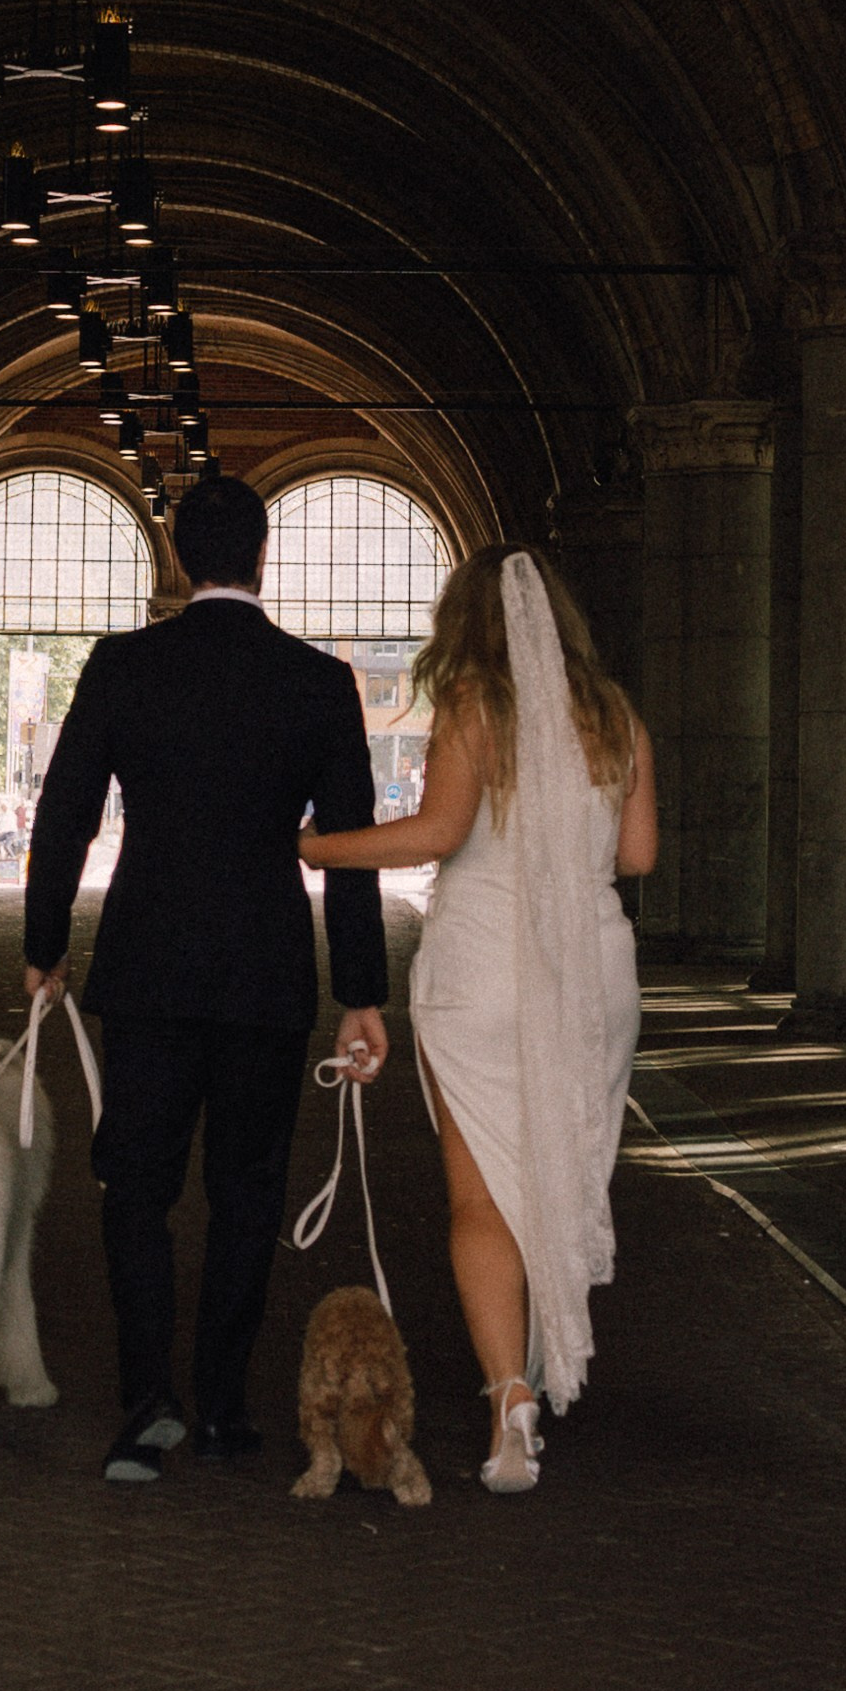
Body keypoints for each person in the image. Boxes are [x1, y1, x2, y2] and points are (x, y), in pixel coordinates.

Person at [24, 471, 389, 1482]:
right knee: (245, 1195)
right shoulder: (316, 683)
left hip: (143, 970)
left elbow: (64, 814)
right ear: (263, 556)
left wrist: (43, 943)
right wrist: (360, 990)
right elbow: (349, 847)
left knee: (133, 1192)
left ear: (179, 557)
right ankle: (224, 1406)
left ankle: (147, 1403)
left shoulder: (122, 666)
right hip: (266, 975)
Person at [300, 545, 654, 1495]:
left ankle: (510, 1398)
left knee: (481, 1199)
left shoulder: (471, 702)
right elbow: (637, 854)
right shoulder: (617, 714)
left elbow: (435, 835)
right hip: (593, 971)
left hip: (484, 970)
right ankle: (537, 1372)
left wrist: (305, 843)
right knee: (557, 1178)